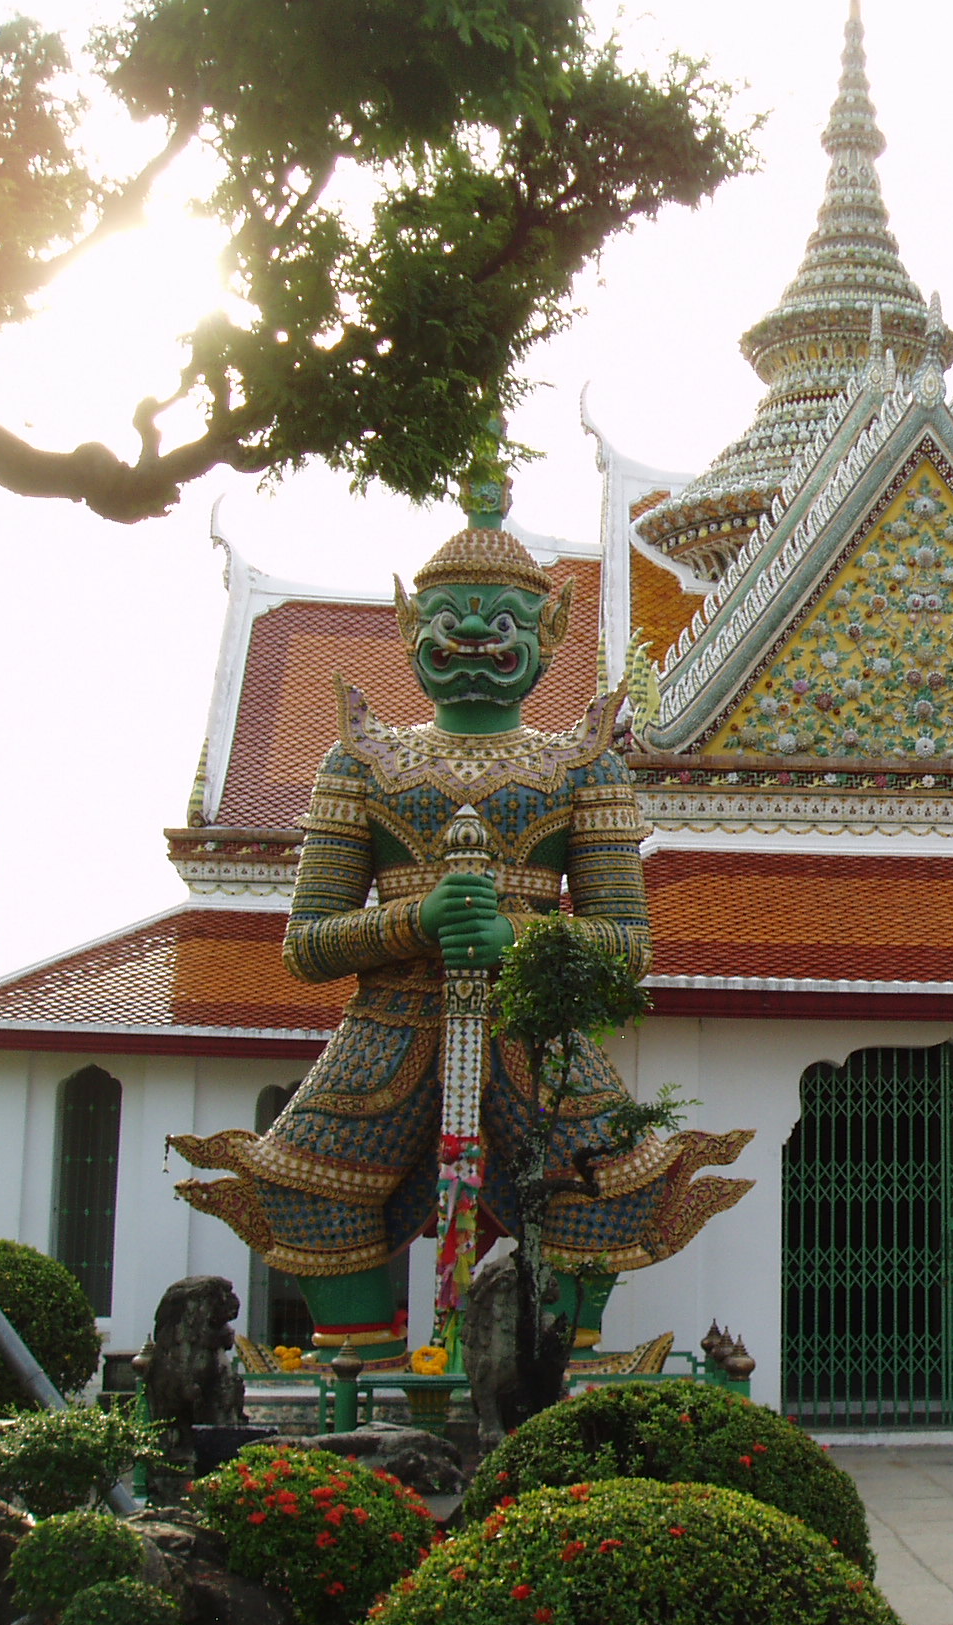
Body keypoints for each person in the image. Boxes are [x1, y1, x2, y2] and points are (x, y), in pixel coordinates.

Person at [173, 468, 748, 1365]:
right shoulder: (361, 760)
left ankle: (554, 1375)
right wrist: (418, 922)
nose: (477, 633)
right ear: (408, 634)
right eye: (449, 620)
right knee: (315, 1195)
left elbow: (626, 947)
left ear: (551, 638)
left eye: (505, 620)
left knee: (602, 1193)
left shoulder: (582, 767)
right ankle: (353, 1380)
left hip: (533, 1037)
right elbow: (306, 945)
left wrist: (516, 938)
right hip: (387, 1028)